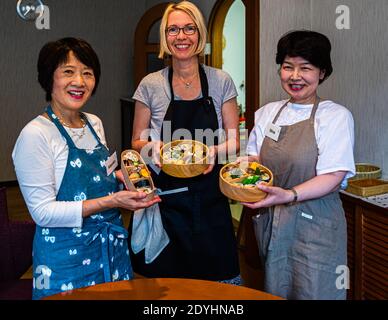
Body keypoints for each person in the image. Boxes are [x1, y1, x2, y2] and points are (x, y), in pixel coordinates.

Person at [12, 37, 160, 300]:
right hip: (66, 258)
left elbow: (98, 174)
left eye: (87, 73)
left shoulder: (94, 123)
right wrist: (113, 200)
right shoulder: (36, 134)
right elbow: (43, 213)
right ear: (50, 78)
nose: (79, 82)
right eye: (68, 72)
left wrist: (124, 177)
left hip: (111, 249)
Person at [130, 1, 241, 284]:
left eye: (189, 28)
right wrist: (152, 148)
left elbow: (233, 142)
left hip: (210, 198)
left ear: (200, 34)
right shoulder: (150, 84)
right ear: (165, 37)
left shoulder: (221, 81)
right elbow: (136, 141)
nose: (181, 36)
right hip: (167, 199)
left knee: (218, 282)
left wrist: (211, 152)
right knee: (168, 285)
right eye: (173, 29)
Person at [242, 30, 355, 299]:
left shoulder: (335, 116)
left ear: (322, 73)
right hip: (272, 219)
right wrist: (242, 169)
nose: (295, 76)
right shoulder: (268, 112)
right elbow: (256, 159)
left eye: (305, 68)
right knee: (275, 289)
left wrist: (289, 194)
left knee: (315, 290)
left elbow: (334, 175)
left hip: (315, 224)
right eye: (287, 67)